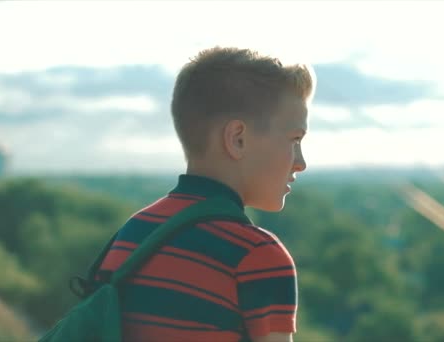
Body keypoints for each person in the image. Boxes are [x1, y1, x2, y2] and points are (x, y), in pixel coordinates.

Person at [97, 46, 315, 342]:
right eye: (295, 139)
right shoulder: (256, 256)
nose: (301, 162)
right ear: (237, 139)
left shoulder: (133, 233)